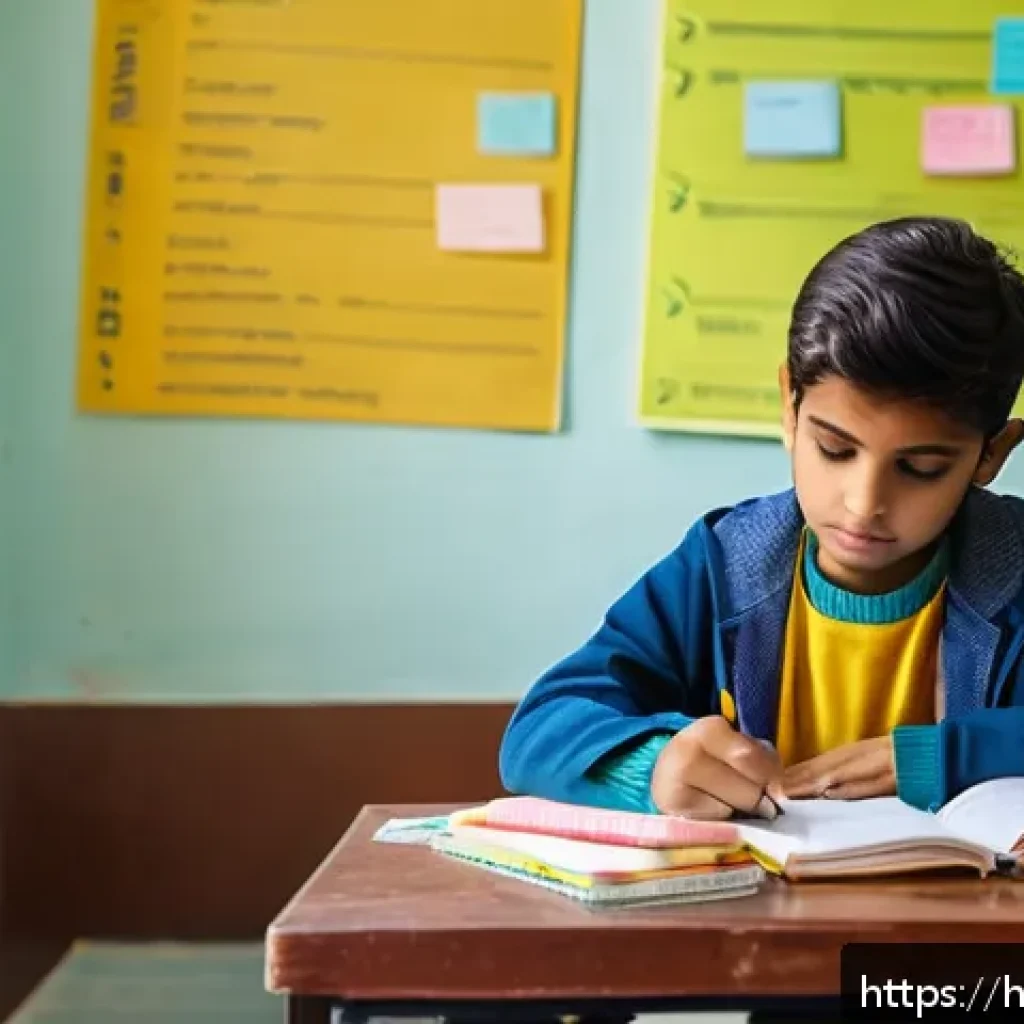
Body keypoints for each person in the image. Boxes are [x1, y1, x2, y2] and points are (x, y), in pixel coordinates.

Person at [499, 216, 1024, 821]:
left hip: (968, 914)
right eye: (835, 449)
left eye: (922, 468)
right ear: (789, 407)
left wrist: (945, 757)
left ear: (992, 453)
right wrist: (656, 767)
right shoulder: (723, 565)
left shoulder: (1013, 566)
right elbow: (538, 731)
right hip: (753, 913)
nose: (863, 502)